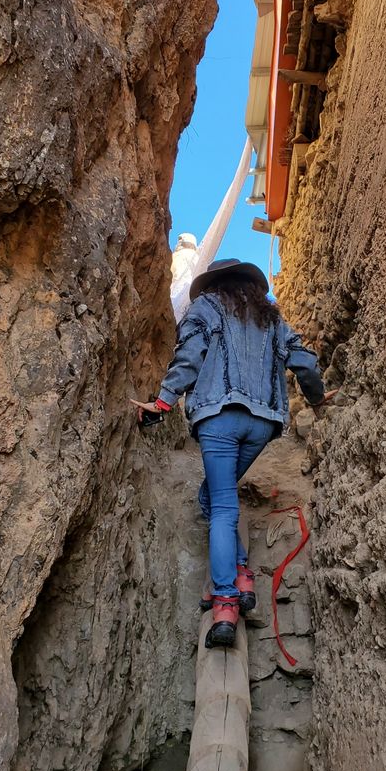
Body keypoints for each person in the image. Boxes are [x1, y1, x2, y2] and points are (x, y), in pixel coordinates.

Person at [131, 258, 325, 649]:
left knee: (221, 505)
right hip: (261, 424)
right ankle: (241, 575)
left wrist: (164, 402)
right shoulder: (272, 319)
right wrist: (317, 397)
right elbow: (303, 359)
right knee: (214, 497)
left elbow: (189, 355)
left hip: (218, 417)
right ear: (251, 286)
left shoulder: (206, 307)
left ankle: (225, 603)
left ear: (213, 284)